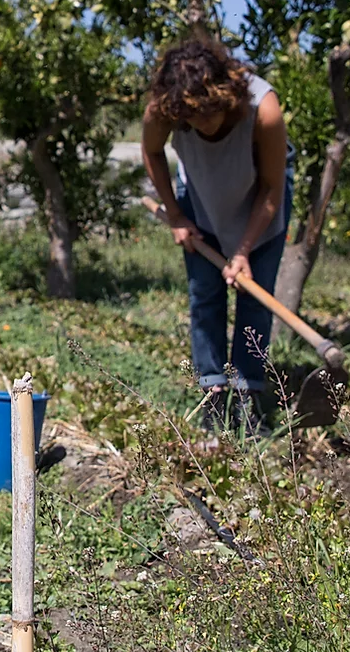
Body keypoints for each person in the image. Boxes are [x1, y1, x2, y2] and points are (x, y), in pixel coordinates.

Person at [141, 38, 293, 434]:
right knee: (205, 296)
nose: (206, 124)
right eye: (194, 116)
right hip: (200, 201)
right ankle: (213, 398)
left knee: (254, 299)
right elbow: (152, 153)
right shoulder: (163, 108)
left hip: (259, 201)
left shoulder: (264, 109)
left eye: (212, 113)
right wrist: (176, 215)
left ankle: (247, 398)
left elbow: (273, 190)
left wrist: (243, 250)